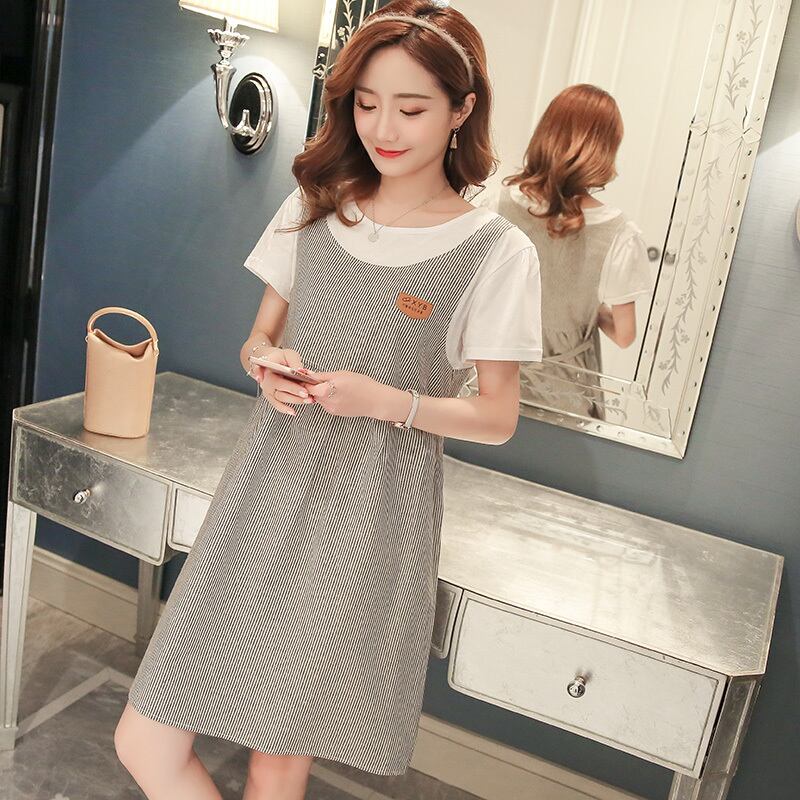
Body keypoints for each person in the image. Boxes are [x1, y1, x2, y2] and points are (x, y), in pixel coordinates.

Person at [114, 1, 542, 798]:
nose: (384, 127)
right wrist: (266, 365)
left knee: (278, 757)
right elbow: (257, 338)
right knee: (145, 738)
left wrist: (387, 401)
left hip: (369, 516)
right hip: (265, 485)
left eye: (411, 108)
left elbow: (497, 416)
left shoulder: (495, 251)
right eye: (367, 103)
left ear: (461, 110)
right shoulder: (314, 204)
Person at [485, 83, 651, 419]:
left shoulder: (496, 203)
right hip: (565, 398)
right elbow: (624, 335)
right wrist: (588, 308)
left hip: (493, 381)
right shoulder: (618, 234)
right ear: (605, 150)